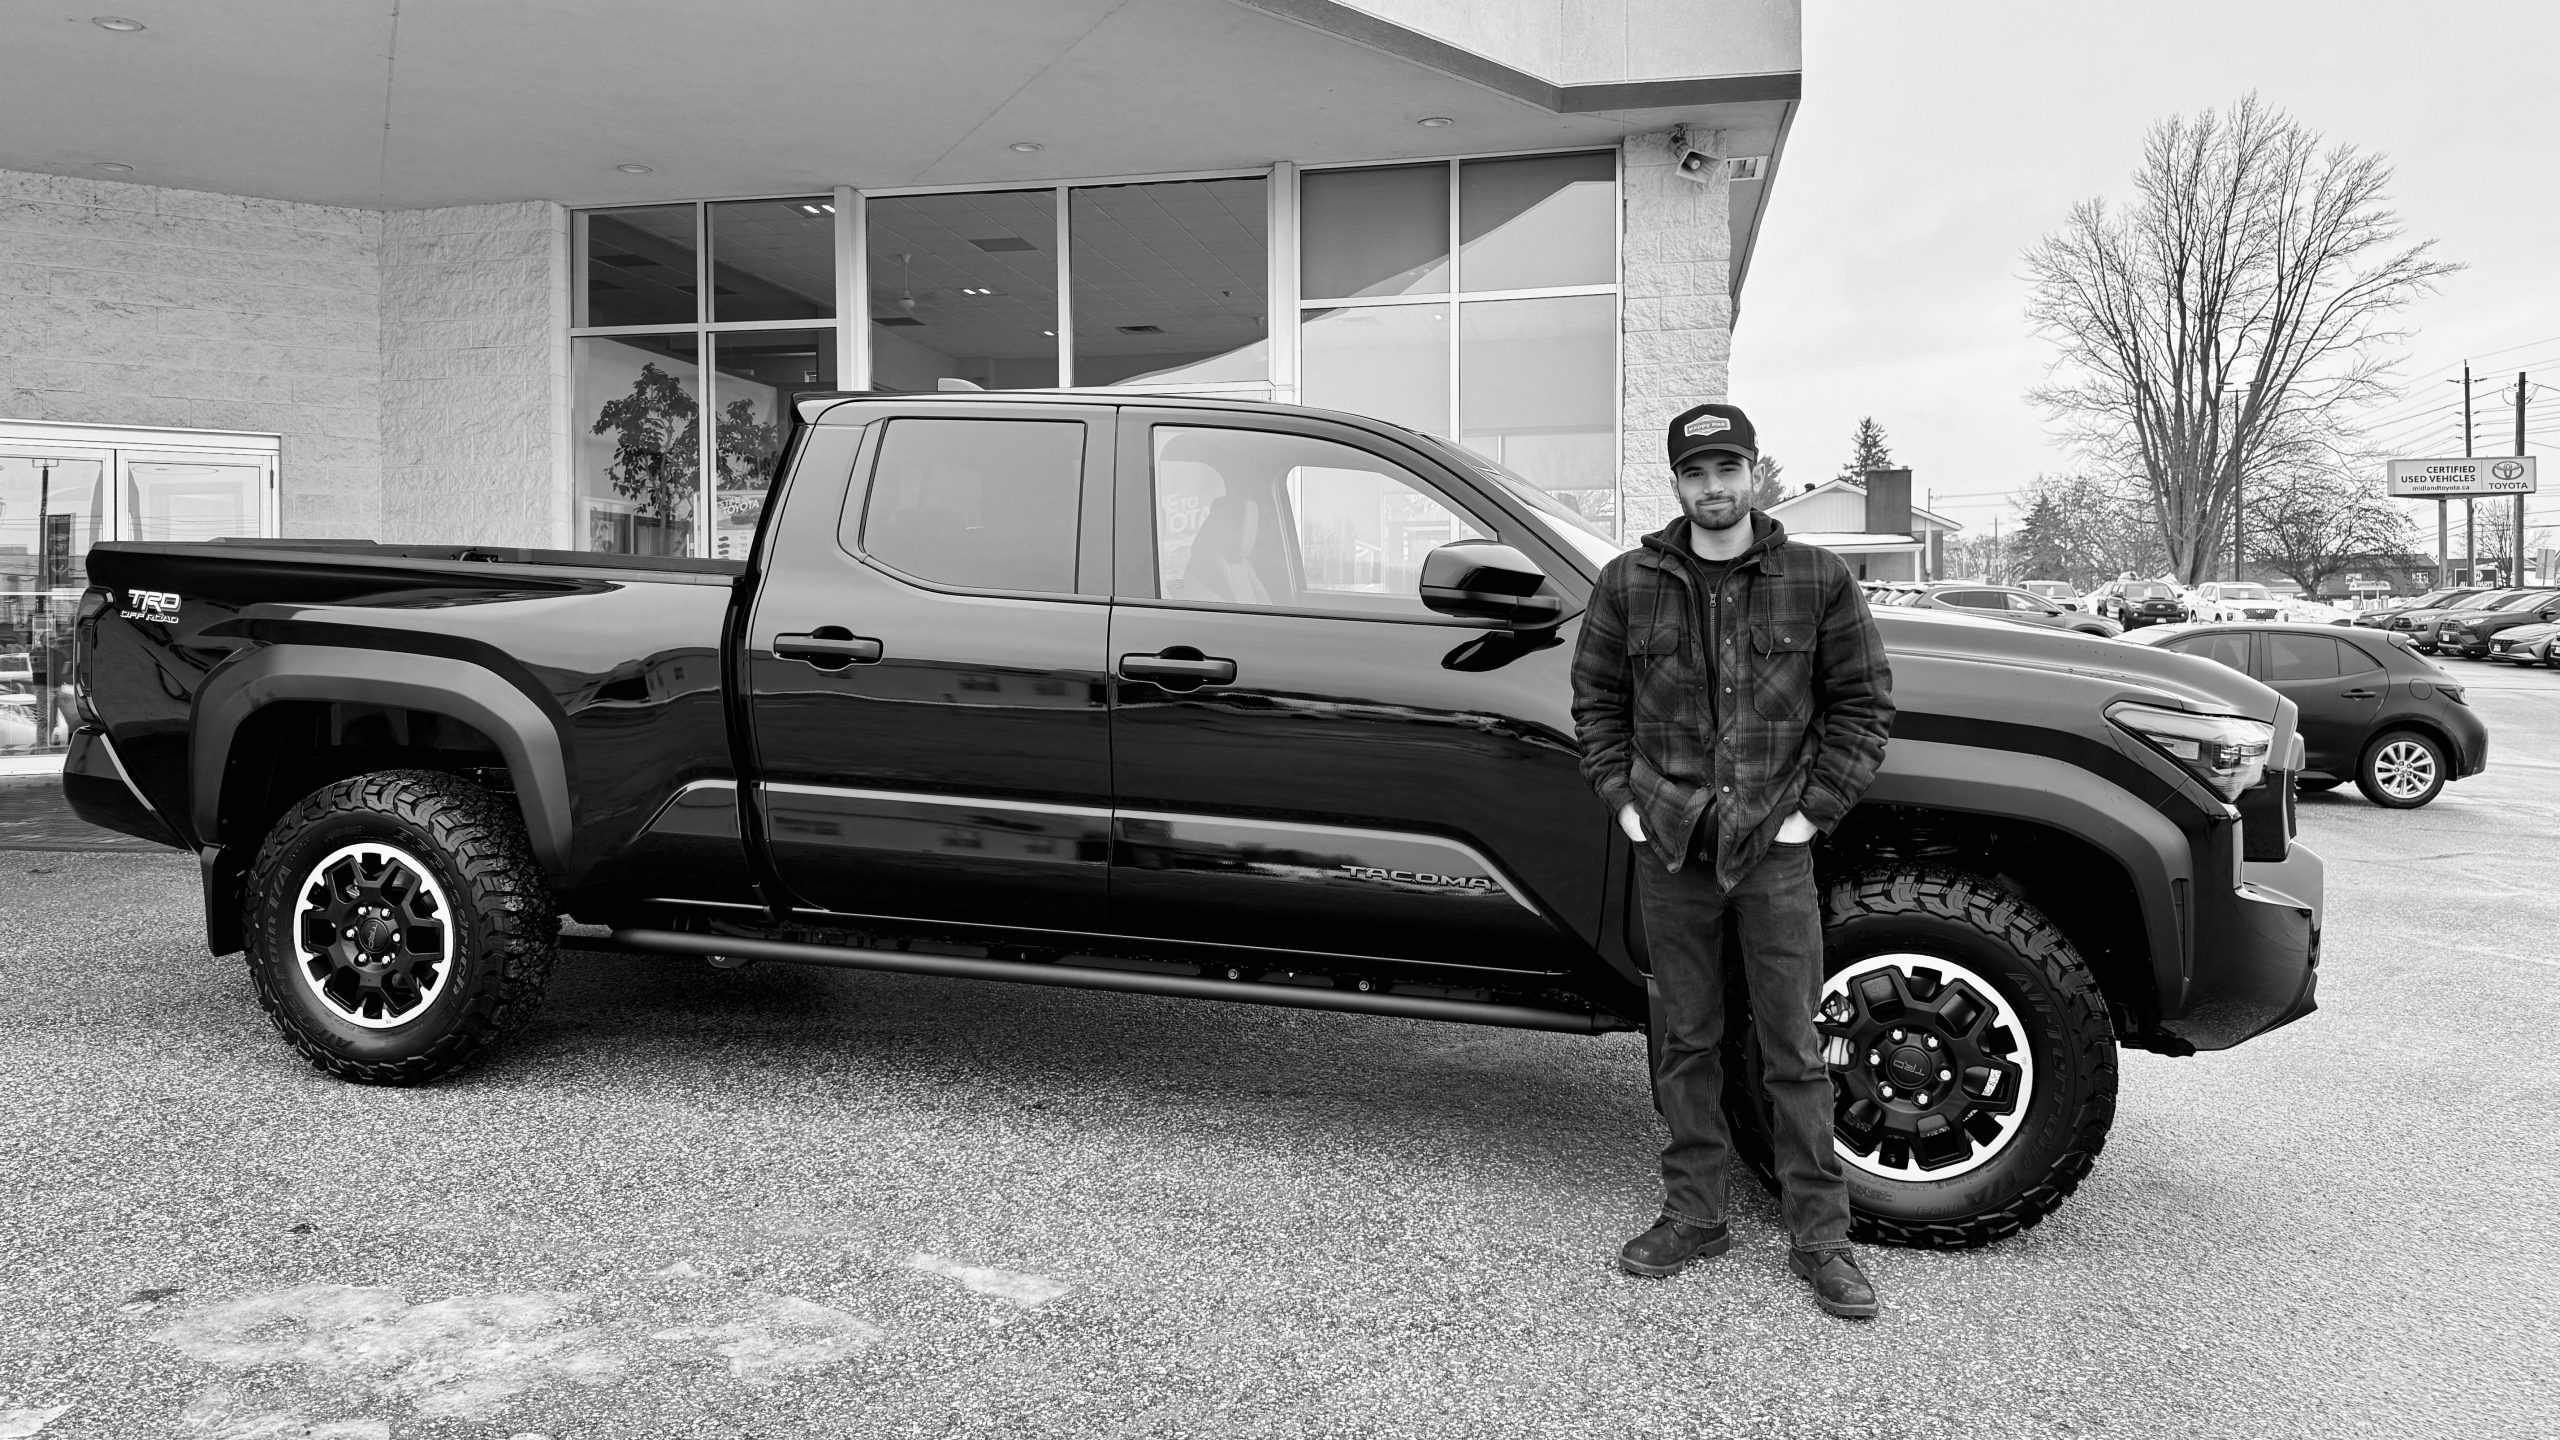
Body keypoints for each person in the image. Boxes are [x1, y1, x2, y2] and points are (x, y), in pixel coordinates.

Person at [1569, 402, 1895, 1318]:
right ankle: (1695, 1212)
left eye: (1729, 469)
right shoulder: (1630, 582)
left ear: (1756, 473)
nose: (1714, 487)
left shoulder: (1817, 578)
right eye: (1696, 472)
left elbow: (1863, 706)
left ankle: (1821, 1238)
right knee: (1685, 1040)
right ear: (1676, 483)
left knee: (1793, 1045)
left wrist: (1810, 816)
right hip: (1669, 846)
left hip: (1773, 848)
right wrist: (1624, 802)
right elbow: (1594, 700)